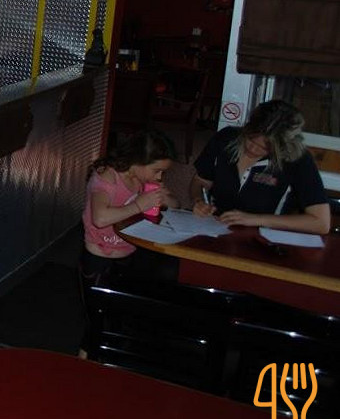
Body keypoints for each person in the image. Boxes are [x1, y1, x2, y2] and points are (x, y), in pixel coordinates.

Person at [189, 99, 331, 235]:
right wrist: (198, 201)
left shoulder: (297, 159)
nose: (253, 149)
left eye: (265, 148)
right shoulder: (226, 138)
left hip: (265, 237)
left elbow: (321, 223)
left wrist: (255, 219)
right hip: (213, 227)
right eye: (250, 139)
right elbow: (200, 181)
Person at [80, 129, 179, 285]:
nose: (159, 177)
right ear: (139, 161)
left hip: (130, 250)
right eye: (157, 171)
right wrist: (139, 205)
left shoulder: (143, 178)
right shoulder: (107, 177)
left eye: (162, 172)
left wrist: (164, 198)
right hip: (100, 257)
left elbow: (176, 205)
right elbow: (100, 219)